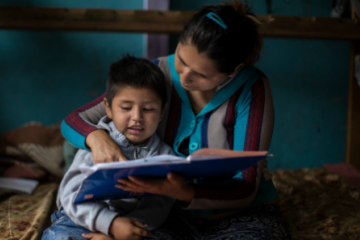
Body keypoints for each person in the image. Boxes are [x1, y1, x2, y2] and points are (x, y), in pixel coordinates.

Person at [61, 1, 289, 239]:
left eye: (201, 74)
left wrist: (187, 191)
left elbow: (246, 187)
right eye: (181, 59)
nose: (185, 77)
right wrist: (97, 138)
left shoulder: (252, 89)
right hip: (169, 219)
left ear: (234, 71)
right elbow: (73, 120)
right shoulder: (157, 72)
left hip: (242, 216)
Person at [42, 55, 176, 240]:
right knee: (58, 236)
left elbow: (159, 205)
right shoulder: (97, 147)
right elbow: (69, 197)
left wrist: (126, 230)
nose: (137, 117)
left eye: (148, 109)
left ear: (162, 112)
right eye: (126, 108)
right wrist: (111, 224)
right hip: (83, 219)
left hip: (135, 226)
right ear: (108, 108)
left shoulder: (165, 156)